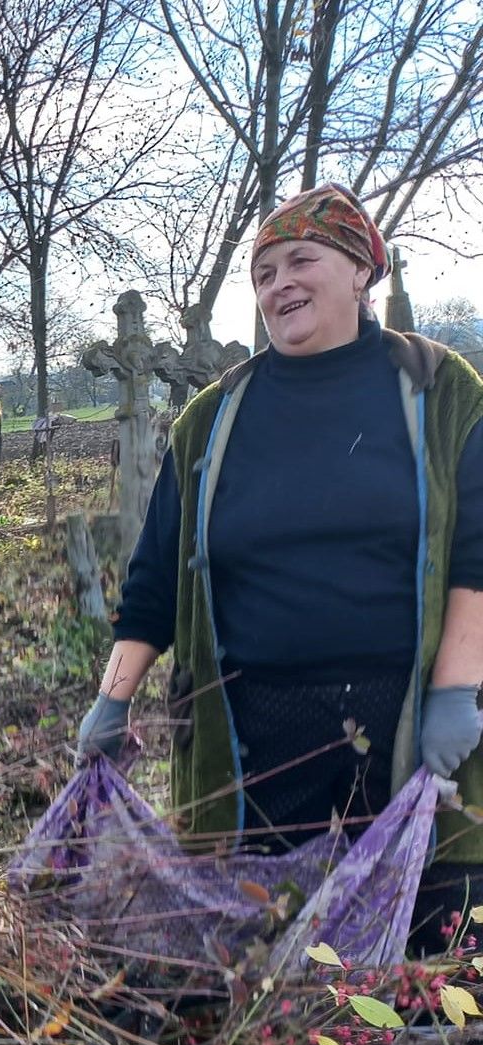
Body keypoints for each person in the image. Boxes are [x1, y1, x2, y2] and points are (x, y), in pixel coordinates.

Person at [78, 183, 483, 947]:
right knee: (259, 959)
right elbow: (155, 578)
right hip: (250, 735)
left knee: (429, 954)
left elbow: (478, 555)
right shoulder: (215, 418)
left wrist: (456, 693)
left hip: (406, 725)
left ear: (362, 270)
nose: (278, 283)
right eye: (264, 272)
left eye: (302, 259)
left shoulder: (441, 391)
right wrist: (112, 701)